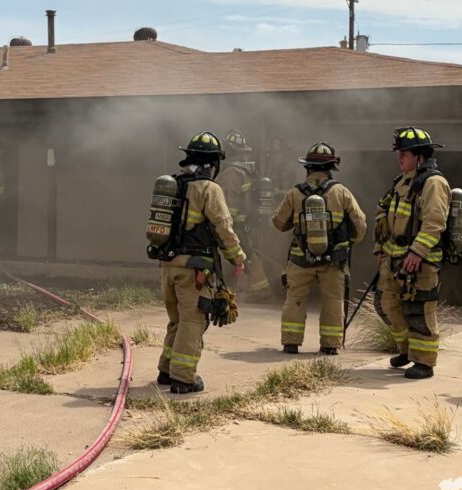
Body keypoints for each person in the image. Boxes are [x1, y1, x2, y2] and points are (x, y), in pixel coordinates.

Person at [156, 131, 245, 394]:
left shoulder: (171, 183)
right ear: (211, 164)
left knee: (177, 320)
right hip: (194, 268)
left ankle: (166, 370)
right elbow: (223, 227)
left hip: (168, 265)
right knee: (193, 321)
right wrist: (238, 258)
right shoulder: (208, 188)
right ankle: (183, 378)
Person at [272, 142, 366, 354]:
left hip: (300, 259)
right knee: (333, 301)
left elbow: (278, 223)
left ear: (307, 168)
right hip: (334, 260)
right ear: (331, 168)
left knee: (295, 298)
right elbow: (360, 225)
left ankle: (290, 343)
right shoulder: (341, 192)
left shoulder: (294, 193)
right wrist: (348, 243)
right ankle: (330, 346)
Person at [373, 127, 451, 379]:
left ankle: (424, 362)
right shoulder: (403, 181)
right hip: (393, 257)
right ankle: (407, 350)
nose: (399, 158)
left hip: (420, 261)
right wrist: (381, 250)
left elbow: (434, 222)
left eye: (403, 153)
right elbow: (383, 213)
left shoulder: (434, 183)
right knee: (385, 303)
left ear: (419, 155)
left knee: (419, 310)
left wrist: (417, 252)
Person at [218, 130, 272, 300]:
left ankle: (260, 291)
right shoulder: (247, 170)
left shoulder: (232, 173)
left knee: (243, 255)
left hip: (237, 223)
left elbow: (230, 199)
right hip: (246, 222)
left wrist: (227, 222)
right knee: (247, 254)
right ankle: (250, 290)